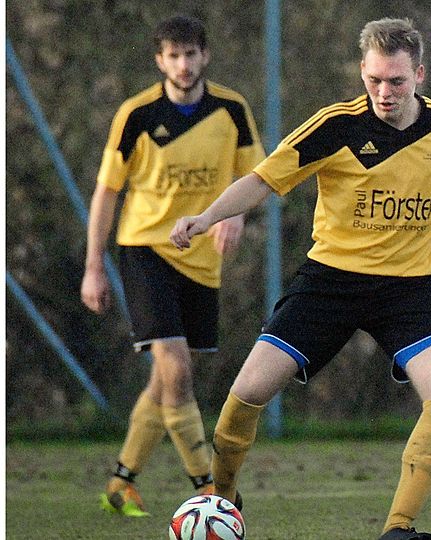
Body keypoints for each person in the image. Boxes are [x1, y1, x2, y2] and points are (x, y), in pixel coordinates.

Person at [170, 18, 431, 540]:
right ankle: (221, 499)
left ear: (419, 75)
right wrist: (207, 217)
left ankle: (399, 529)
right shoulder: (335, 126)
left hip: (406, 289)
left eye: (396, 81)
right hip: (329, 283)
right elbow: (262, 180)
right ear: (362, 72)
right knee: (245, 395)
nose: (384, 91)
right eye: (374, 79)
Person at [81, 15, 265, 517]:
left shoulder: (231, 109)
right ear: (159, 61)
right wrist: (94, 265)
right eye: (173, 56)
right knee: (177, 368)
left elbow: (257, 177)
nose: (183, 65)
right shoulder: (137, 114)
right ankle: (211, 487)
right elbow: (107, 191)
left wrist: (236, 217)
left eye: (190, 54)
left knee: (167, 381)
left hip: (201, 261)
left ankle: (121, 483)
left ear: (205, 56)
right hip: (146, 250)